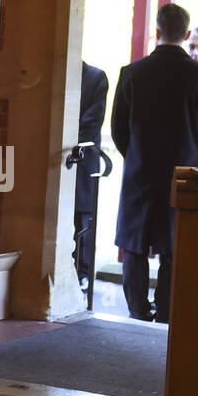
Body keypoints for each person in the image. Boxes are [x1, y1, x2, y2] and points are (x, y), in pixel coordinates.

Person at [111, 3, 198, 323]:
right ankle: (166, 310)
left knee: (134, 243)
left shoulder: (132, 73)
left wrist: (136, 155)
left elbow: (119, 129)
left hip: (140, 170)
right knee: (173, 246)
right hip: (184, 172)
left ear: (157, 32)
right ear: (187, 35)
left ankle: (137, 308)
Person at [74, 61, 109, 291]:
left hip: (83, 163)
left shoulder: (96, 78)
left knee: (84, 221)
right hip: (55, 161)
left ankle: (83, 275)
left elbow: (92, 124)